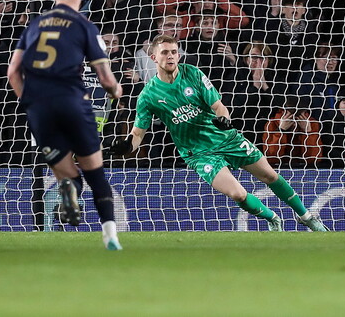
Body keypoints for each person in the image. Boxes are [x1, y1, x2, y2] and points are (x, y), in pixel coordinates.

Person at [110, 34, 330, 232]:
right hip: (198, 152)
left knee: (270, 176)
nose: (171, 56)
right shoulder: (148, 95)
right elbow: (138, 133)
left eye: (174, 52)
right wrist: (128, 146)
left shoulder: (193, 73)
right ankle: (272, 218)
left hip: (225, 137)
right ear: (153, 58)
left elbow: (218, 106)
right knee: (238, 194)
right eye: (165, 52)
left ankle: (306, 216)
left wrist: (224, 119)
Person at [6, 0, 124, 250]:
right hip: (73, 103)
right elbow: (106, 79)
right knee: (95, 174)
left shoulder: (34, 25)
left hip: (39, 110)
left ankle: (69, 190)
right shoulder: (84, 25)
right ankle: (110, 237)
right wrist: (116, 91)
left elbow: (13, 72)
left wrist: (29, 101)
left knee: (67, 172)